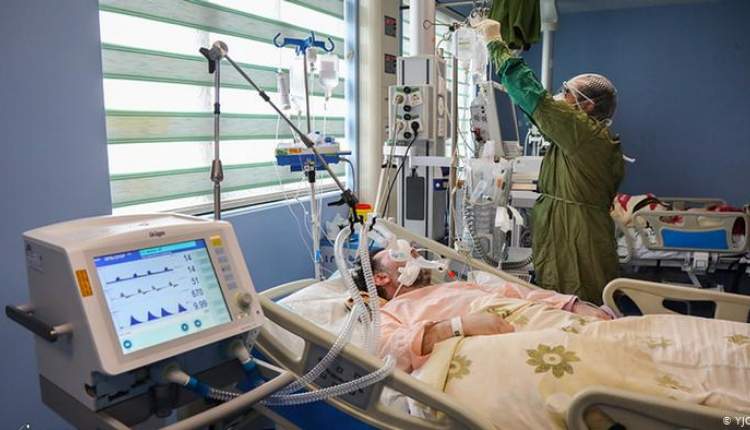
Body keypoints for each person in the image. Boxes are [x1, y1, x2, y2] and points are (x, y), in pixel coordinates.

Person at [475, 19, 625, 304]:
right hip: (567, 229)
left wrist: (495, 44)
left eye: (568, 93)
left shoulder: (583, 132)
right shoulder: (581, 135)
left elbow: (536, 99)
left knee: (579, 301)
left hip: (577, 236)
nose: (561, 95)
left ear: (588, 105)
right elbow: (538, 112)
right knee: (559, 300)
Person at [351, 248, 613, 373]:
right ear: (380, 278)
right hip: (499, 347)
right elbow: (389, 349)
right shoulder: (391, 312)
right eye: (397, 252)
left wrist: (572, 305)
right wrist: (459, 326)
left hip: (536, 318)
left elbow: (517, 293)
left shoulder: (458, 286)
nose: (412, 250)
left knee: (613, 342)